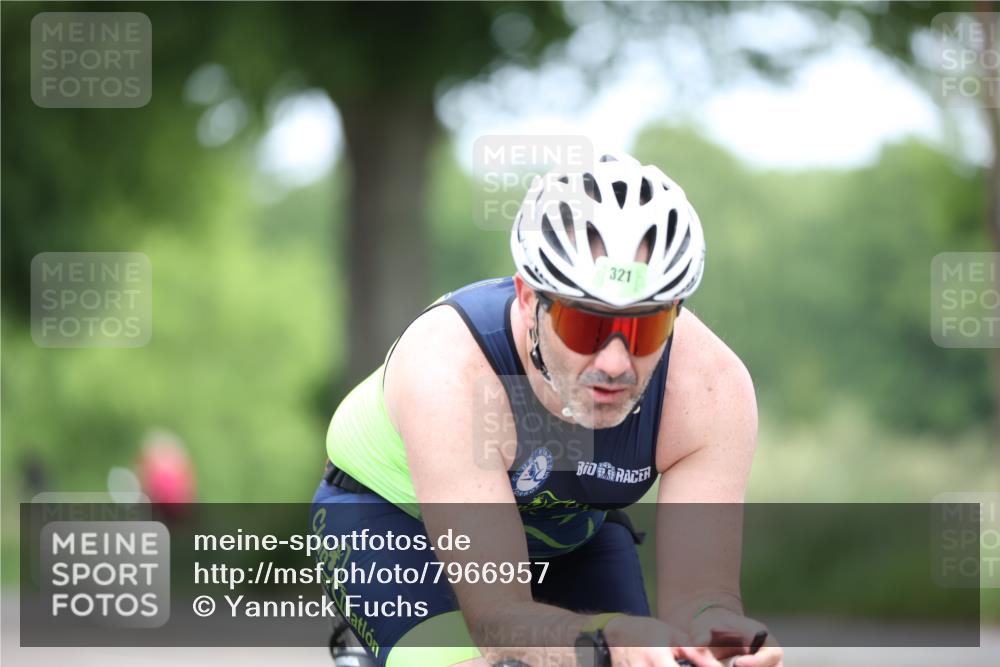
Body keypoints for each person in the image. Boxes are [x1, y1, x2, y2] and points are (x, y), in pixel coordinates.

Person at [311, 151, 783, 667]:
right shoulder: (453, 368)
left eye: (646, 329)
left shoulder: (711, 388)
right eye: (586, 327)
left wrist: (715, 636)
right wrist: (606, 641)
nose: (615, 363)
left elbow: (700, 599)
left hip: (565, 528)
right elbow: (499, 621)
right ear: (528, 299)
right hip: (395, 520)